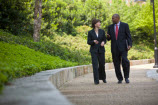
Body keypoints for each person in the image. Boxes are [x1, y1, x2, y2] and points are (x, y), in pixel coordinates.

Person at [107, 14, 132, 84]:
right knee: (116, 64)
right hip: (114, 48)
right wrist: (108, 37)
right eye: (112, 18)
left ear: (117, 18)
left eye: (113, 18)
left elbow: (128, 36)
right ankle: (119, 78)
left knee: (125, 61)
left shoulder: (125, 25)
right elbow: (108, 39)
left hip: (123, 48)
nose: (112, 19)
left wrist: (130, 45)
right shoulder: (110, 27)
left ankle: (126, 77)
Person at [87, 19, 106, 85]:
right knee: (95, 65)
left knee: (102, 64)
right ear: (95, 24)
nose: (100, 23)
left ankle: (103, 78)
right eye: (98, 22)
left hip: (101, 50)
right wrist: (93, 41)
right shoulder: (90, 32)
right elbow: (88, 42)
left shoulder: (102, 31)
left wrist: (103, 42)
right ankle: (96, 80)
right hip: (94, 51)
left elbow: (104, 39)